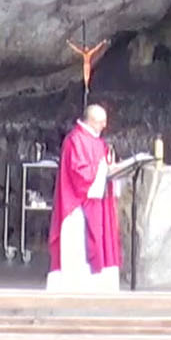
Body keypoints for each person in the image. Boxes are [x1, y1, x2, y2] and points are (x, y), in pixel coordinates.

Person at [46, 103, 122, 291]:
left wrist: (111, 168)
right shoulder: (75, 140)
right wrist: (104, 169)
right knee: (79, 245)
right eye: (101, 122)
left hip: (97, 203)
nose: (104, 126)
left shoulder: (98, 141)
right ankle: (76, 285)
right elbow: (80, 173)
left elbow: (102, 166)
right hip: (78, 206)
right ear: (91, 121)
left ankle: (97, 284)